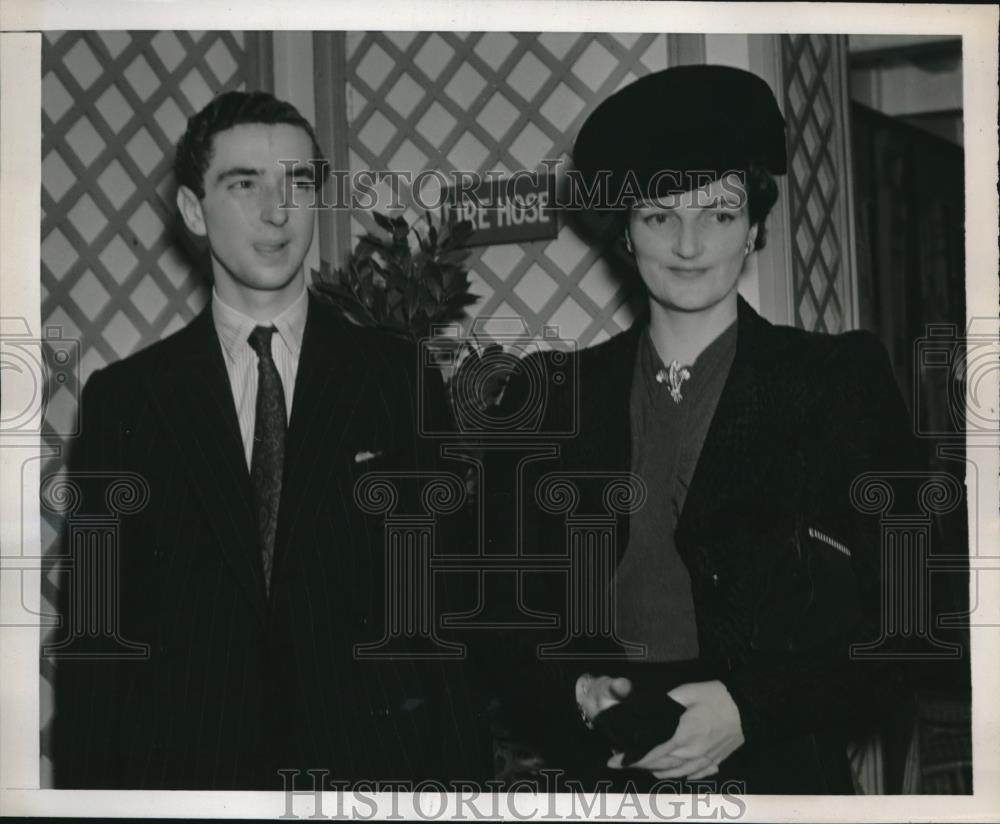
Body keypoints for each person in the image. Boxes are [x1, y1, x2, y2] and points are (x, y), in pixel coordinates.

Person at [484, 65, 922, 794]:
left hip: (779, 767)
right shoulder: (548, 396)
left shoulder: (834, 380)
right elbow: (494, 608)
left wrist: (751, 708)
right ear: (626, 232)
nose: (689, 244)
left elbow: (909, 617)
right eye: (660, 216)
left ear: (753, 226)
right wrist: (574, 688)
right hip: (607, 772)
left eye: (718, 215)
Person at [51, 90, 488, 789]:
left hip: (368, 778)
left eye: (297, 181)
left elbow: (442, 613)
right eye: (243, 183)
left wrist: (466, 793)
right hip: (187, 781)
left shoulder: (395, 378)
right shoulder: (128, 399)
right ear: (194, 211)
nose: (276, 209)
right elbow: (97, 637)